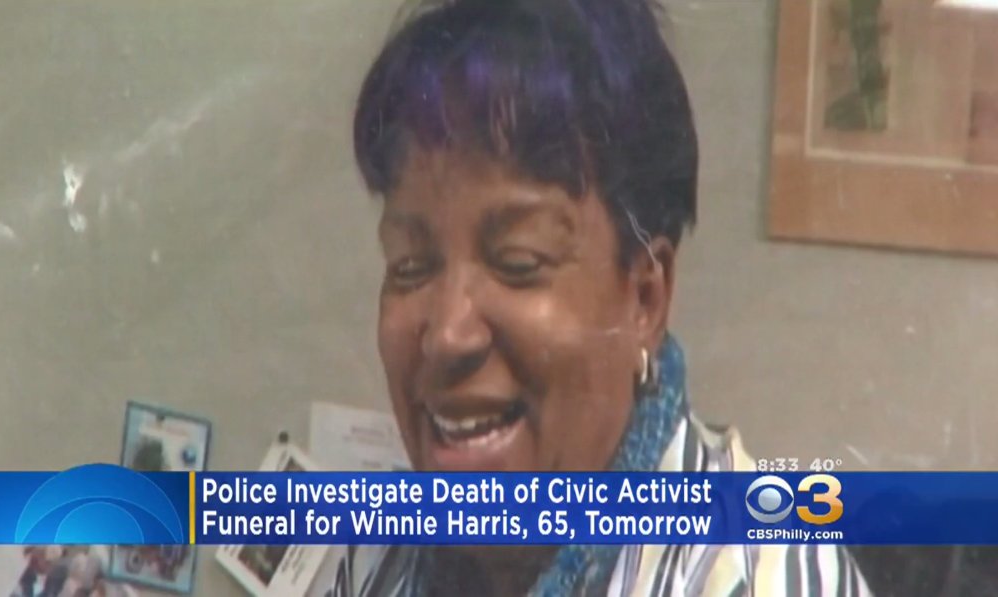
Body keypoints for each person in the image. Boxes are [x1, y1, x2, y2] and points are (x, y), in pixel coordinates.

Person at [316, 0, 871, 594]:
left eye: (518, 262)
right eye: (409, 265)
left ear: (645, 300)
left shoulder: (761, 576)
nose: (449, 333)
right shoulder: (364, 556)